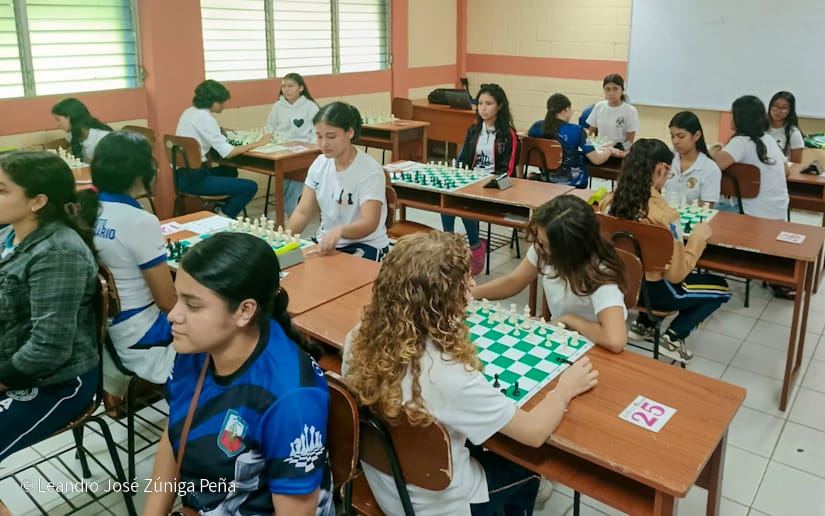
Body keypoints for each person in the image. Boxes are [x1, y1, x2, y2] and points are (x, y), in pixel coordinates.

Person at [343, 231, 598, 515]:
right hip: (440, 506)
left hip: (387, 487)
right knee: (528, 467)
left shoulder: (357, 339)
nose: (473, 286)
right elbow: (534, 433)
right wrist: (565, 388)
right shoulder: (452, 377)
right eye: (464, 284)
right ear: (441, 302)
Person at [143, 232, 334, 516]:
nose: (173, 315)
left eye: (192, 305)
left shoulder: (290, 399)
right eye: (178, 298)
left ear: (245, 311)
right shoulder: (194, 347)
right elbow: (175, 435)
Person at [0, 151, 99, 463]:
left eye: (2, 190)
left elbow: (48, 348)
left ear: (37, 202)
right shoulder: (8, 233)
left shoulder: (57, 253)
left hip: (55, 380)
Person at [601, 139, 732, 362]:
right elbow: (676, 274)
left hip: (622, 286)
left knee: (646, 265)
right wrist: (698, 239)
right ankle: (673, 337)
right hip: (658, 294)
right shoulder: (668, 218)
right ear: (662, 169)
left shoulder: (608, 204)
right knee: (722, 289)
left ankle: (644, 324)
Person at [76, 131, 176, 409]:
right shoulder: (139, 220)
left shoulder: (88, 209)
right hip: (141, 336)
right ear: (139, 174)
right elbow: (167, 302)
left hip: (105, 332)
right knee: (222, 324)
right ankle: (193, 408)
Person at [473, 195, 627, 353]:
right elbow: (515, 281)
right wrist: (470, 294)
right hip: (562, 340)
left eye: (543, 244)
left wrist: (569, 320)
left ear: (568, 250)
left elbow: (615, 340)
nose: (537, 247)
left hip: (595, 349)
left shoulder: (599, 274)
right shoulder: (544, 251)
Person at [286, 101, 389, 261]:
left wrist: (339, 231)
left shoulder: (369, 171)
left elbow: (370, 222)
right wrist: (284, 240)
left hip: (364, 244)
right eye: (319, 136)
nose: (324, 144)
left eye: (331, 136)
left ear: (349, 133)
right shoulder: (320, 163)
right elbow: (303, 211)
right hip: (326, 241)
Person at [714, 95, 792, 299]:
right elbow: (786, 171)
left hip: (753, 214)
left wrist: (716, 151)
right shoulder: (767, 139)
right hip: (778, 211)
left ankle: (706, 259)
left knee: (705, 209)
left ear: (740, 118)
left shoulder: (741, 142)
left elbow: (714, 168)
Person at [445, 83, 521, 275]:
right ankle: (447, 244)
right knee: (445, 197)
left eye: (489, 103)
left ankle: (475, 245)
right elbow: (462, 159)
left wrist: (488, 183)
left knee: (464, 201)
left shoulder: (508, 134)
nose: (483, 108)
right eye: (480, 103)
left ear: (500, 106)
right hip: (473, 180)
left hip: (501, 182)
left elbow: (509, 171)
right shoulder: (474, 130)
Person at [175, 80, 270, 218]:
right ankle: (223, 216)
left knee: (230, 170)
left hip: (181, 175)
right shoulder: (206, 119)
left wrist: (221, 130)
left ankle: (218, 209)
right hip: (195, 180)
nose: (224, 105)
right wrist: (259, 143)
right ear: (212, 101)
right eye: (222, 102)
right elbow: (228, 153)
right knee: (250, 186)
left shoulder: (190, 112)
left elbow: (203, 131)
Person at [527, 93, 620, 187]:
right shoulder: (577, 130)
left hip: (546, 179)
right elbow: (597, 160)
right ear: (566, 109)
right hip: (573, 183)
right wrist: (609, 150)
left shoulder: (536, 127)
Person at [266, 73, 321, 217]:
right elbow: (270, 128)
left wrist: (306, 148)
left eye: (290, 86)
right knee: (284, 174)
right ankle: (287, 211)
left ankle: (287, 212)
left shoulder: (310, 106)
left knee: (294, 174)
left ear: (301, 88)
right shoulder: (278, 105)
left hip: (304, 151)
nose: (286, 90)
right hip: (280, 150)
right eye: (284, 86)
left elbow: (316, 133)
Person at [664, 111, 721, 207]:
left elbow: (706, 210)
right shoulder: (666, 157)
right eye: (672, 136)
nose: (675, 141)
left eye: (681, 136)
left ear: (696, 135)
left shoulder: (710, 169)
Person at [766, 91, 822, 175]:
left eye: (784, 108)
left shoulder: (793, 133)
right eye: (775, 106)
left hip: (781, 174)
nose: (778, 111)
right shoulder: (760, 128)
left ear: (790, 111)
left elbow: (795, 165)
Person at [586, 74, 639, 151]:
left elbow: (630, 141)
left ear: (622, 90)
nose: (611, 93)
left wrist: (617, 151)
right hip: (600, 150)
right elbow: (591, 132)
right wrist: (591, 147)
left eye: (615, 89)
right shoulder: (599, 106)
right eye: (608, 89)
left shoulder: (630, 111)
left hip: (619, 151)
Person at [51, 98, 112, 163]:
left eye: (58, 120)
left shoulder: (103, 137)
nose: (57, 125)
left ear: (70, 118)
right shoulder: (71, 135)